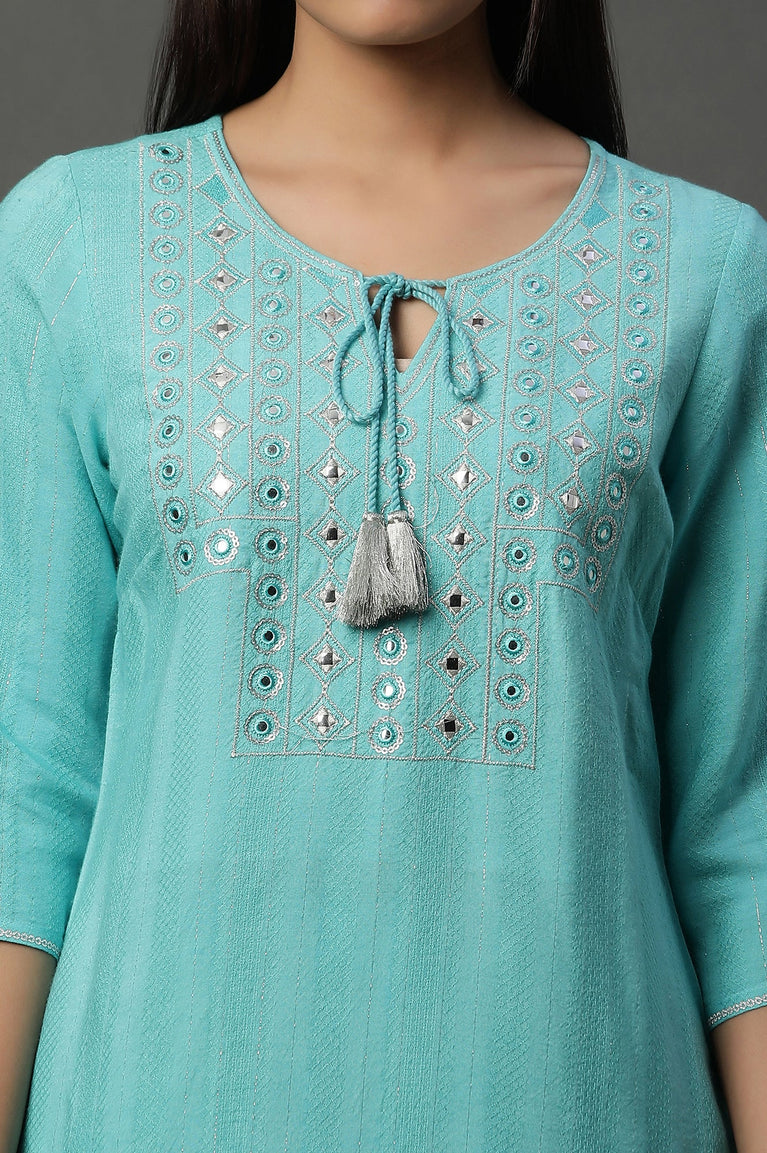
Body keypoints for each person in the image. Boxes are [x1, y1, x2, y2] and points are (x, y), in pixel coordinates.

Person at [1, 1, 766, 1149]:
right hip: (159, 1100)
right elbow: (26, 782)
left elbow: (740, 824)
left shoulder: (702, 269)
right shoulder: (74, 242)